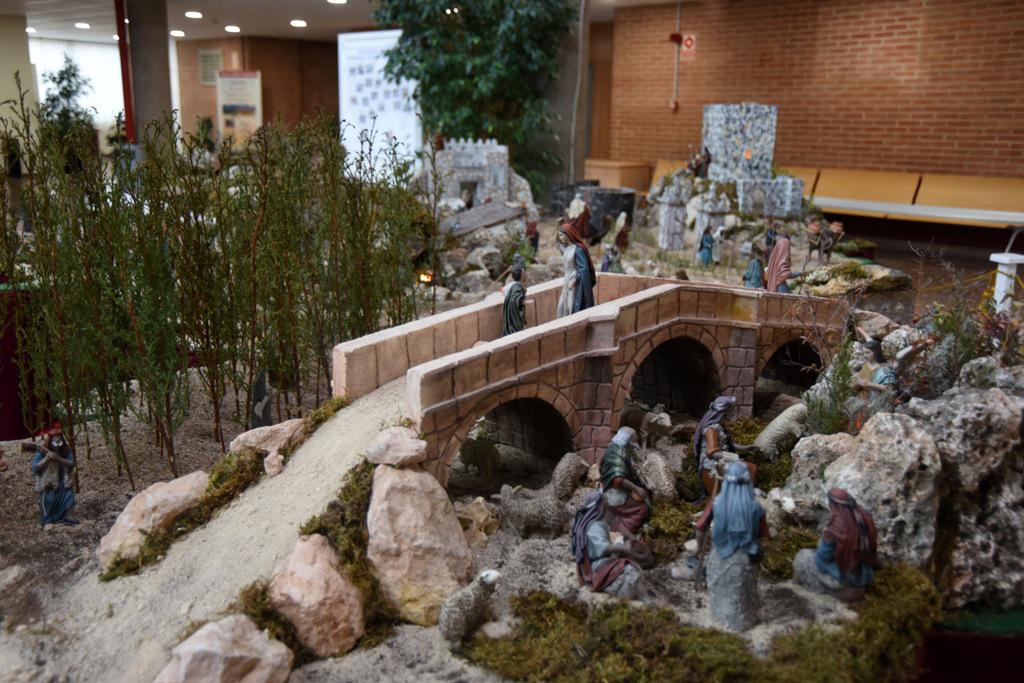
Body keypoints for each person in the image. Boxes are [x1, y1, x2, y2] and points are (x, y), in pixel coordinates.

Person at [704, 461, 768, 631]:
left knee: (722, 589)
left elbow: (701, 526)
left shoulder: (717, 503)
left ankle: (723, 618)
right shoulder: (756, 507)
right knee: (744, 591)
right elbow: (763, 532)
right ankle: (744, 619)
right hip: (746, 555)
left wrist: (697, 547)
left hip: (720, 554)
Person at [793, 488, 878, 602]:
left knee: (803, 557)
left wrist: (823, 539)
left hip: (845, 577)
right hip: (865, 574)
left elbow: (822, 557)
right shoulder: (865, 517)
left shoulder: (837, 529)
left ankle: (803, 591)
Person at [571, 491, 649, 599]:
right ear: (599, 506)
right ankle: (642, 596)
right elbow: (603, 547)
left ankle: (644, 593)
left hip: (603, 557)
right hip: (597, 564)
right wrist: (622, 547)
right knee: (629, 569)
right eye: (605, 503)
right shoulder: (594, 526)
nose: (607, 506)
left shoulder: (599, 522)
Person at [600, 426, 651, 536]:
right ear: (628, 439)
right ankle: (623, 529)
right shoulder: (618, 453)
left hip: (617, 487)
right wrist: (636, 488)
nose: (636, 441)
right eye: (634, 439)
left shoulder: (615, 447)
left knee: (647, 493)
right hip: (615, 493)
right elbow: (617, 479)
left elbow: (623, 464)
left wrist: (633, 466)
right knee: (643, 508)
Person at [24, 423, 78, 526]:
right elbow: (35, 467)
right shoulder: (42, 452)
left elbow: (71, 463)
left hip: (64, 481)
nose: (58, 443)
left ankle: (67, 518)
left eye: (59, 440)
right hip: (50, 483)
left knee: (69, 497)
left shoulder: (66, 451)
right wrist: (47, 458)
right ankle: (50, 519)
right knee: (50, 499)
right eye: (55, 440)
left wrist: (58, 459)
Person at [555, 219, 596, 317]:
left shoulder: (577, 250)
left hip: (574, 280)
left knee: (572, 303)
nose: (560, 238)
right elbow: (556, 243)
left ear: (568, 235)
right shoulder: (566, 248)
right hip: (567, 278)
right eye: (559, 235)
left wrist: (574, 280)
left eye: (561, 235)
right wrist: (558, 227)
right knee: (564, 304)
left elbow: (584, 268)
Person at [501, 266, 527, 336]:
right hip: (515, 316)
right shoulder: (517, 287)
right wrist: (522, 301)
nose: (525, 274)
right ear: (520, 275)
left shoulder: (517, 285)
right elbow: (515, 298)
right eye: (524, 272)